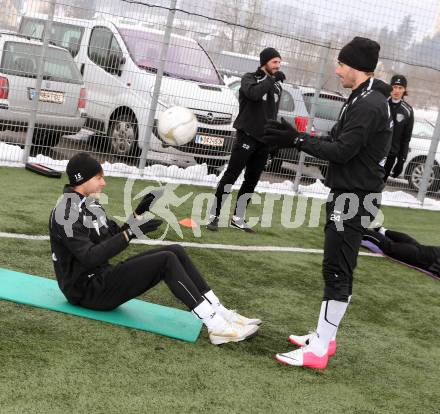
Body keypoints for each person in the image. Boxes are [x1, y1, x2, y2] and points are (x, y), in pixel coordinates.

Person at [263, 37, 393, 369]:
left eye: (341, 65)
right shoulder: (362, 98)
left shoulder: (369, 104)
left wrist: (295, 139)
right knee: (335, 267)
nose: (337, 70)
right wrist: (296, 135)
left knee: (337, 270)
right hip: (348, 192)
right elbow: (336, 140)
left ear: (357, 68)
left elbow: (341, 151)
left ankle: (319, 348)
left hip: (353, 196)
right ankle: (325, 337)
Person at [49, 152, 261, 345]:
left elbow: (110, 238)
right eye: (98, 178)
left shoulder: (90, 205)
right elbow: (89, 257)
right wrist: (130, 232)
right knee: (165, 261)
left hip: (101, 278)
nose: (103, 183)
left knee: (175, 250)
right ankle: (215, 326)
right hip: (86, 292)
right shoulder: (66, 212)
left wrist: (138, 214)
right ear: (81, 179)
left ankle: (221, 312)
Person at [207, 47, 285, 233]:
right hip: (247, 136)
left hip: (263, 142)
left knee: (251, 181)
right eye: (274, 62)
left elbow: (272, 114)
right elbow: (254, 94)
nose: (278, 66)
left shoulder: (276, 86)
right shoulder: (249, 78)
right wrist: (270, 79)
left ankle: (237, 217)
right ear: (264, 62)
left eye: (279, 63)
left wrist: (273, 141)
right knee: (231, 176)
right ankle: (214, 215)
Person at [363, 226, 440, 276]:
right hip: (425, 257)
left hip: (432, 253)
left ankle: (382, 230)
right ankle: (360, 232)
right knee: (389, 248)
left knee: (414, 245)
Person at [383, 74, 414, 181]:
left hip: (390, 155)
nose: (396, 90)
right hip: (375, 153)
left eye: (400, 88)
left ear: (404, 90)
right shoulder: (381, 104)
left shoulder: (408, 111)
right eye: (394, 87)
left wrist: (401, 161)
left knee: (378, 187)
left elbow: (406, 139)